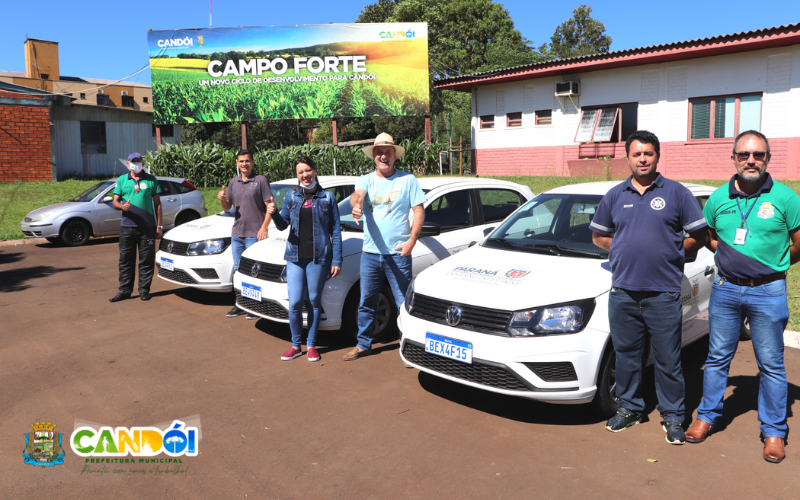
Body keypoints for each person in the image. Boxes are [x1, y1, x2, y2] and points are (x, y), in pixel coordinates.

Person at [686, 130, 800, 463]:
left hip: (769, 290)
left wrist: (773, 265)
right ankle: (706, 416)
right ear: (733, 158)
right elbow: (708, 234)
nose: (751, 160)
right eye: (744, 154)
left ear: (768, 158)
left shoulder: (786, 198)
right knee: (718, 356)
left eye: (758, 154)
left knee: (772, 365)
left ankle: (774, 431)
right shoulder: (719, 198)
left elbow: (798, 243)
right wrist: (731, 256)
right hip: (725, 289)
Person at [590, 130, 708, 444]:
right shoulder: (615, 195)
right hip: (624, 292)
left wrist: (673, 249)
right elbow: (599, 235)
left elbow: (699, 234)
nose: (643, 159)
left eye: (649, 154)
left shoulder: (677, 193)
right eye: (637, 154)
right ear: (627, 158)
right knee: (628, 356)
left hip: (663, 293)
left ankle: (673, 417)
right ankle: (630, 409)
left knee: (668, 359)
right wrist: (620, 246)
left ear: (657, 156)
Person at [345, 133, 426, 361]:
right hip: (370, 253)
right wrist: (356, 205)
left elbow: (419, 211)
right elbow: (357, 195)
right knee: (366, 301)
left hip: (399, 253)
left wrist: (411, 241)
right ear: (374, 156)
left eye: (388, 152)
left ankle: (408, 346)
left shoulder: (408, 180)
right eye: (379, 152)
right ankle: (363, 344)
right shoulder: (366, 179)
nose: (383, 156)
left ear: (394, 156)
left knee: (403, 302)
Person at [268, 156, 342, 362]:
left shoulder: (328, 197)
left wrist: (337, 260)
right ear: (297, 175)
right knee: (295, 302)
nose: (305, 175)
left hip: (319, 258)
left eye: (308, 170)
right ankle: (295, 345)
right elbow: (283, 225)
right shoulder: (292, 197)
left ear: (315, 170)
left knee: (314, 302)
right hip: (295, 256)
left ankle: (311, 345)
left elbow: (335, 231)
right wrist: (274, 213)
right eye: (301, 172)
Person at [219, 149, 274, 319]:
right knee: (238, 269)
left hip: (255, 234)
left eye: (247, 161)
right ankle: (240, 304)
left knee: (254, 271)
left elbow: (269, 207)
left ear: (253, 162)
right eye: (241, 161)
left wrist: (264, 228)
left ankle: (255, 307)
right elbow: (227, 207)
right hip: (237, 233)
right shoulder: (233, 182)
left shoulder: (261, 181)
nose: (244, 164)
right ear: (237, 163)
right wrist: (222, 198)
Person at [109, 153, 163, 302]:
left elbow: (158, 204)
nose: (136, 164)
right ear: (128, 164)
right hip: (127, 227)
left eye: (138, 161)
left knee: (146, 260)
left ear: (143, 163)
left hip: (147, 228)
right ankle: (125, 290)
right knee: (126, 260)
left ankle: (144, 290)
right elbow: (115, 202)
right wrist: (122, 206)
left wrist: (159, 226)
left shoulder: (151, 180)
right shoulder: (121, 180)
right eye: (133, 162)